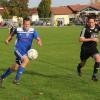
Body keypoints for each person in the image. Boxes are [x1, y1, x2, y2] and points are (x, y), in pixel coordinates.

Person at [0, 18, 42, 87]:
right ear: (23, 24)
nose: (27, 26)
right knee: (26, 60)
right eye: (25, 24)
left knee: (15, 67)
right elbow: (11, 35)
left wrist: (39, 41)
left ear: (30, 24)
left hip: (26, 52)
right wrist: (7, 40)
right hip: (18, 50)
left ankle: (2, 77)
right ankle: (16, 79)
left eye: (28, 24)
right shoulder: (18, 30)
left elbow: (38, 38)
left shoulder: (33, 31)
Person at [77, 17, 100, 81]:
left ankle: (94, 75)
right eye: (89, 22)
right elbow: (80, 39)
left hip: (93, 48)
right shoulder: (85, 29)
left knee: (98, 58)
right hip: (85, 49)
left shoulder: (97, 27)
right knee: (83, 63)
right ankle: (79, 67)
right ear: (87, 22)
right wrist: (92, 39)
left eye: (92, 22)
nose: (90, 23)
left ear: (95, 22)